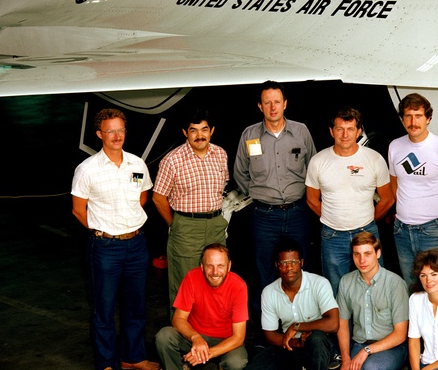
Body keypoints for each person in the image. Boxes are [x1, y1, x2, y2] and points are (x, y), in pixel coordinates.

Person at [71, 108, 162, 370]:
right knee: (104, 309)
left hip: (136, 244)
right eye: (110, 131)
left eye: (120, 130)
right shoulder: (87, 169)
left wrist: (127, 224)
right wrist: (103, 230)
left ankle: (133, 358)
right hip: (105, 247)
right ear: (99, 134)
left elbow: (142, 195)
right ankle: (106, 366)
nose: (116, 136)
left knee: (135, 306)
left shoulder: (137, 164)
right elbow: (77, 209)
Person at [233, 81, 316, 317]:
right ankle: (267, 332)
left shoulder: (301, 132)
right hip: (263, 216)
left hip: (298, 212)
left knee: (301, 270)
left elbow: (314, 168)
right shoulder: (249, 135)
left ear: (285, 104)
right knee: (263, 273)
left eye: (277, 102)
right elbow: (240, 172)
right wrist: (260, 194)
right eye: (267, 102)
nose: (272, 107)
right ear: (260, 106)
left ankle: (304, 325)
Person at [239, 238, 339, 370]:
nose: (289, 268)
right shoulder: (269, 292)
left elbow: (333, 323)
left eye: (293, 262)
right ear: (277, 265)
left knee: (316, 339)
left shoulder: (319, 283)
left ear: (301, 262)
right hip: (291, 346)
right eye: (284, 263)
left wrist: (298, 326)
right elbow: (269, 335)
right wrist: (295, 342)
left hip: (319, 345)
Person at [305, 106, 394, 294]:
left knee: (375, 286)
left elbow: (387, 199)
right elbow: (312, 200)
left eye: (350, 129)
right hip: (332, 236)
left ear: (359, 131)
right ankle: (345, 325)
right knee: (338, 291)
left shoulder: (374, 159)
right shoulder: (318, 161)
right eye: (339, 129)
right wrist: (333, 218)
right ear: (331, 131)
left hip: (367, 232)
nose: (345, 135)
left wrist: (367, 220)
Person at [152, 109, 230, 316]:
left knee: (217, 279)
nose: (199, 135)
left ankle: (212, 335)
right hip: (186, 227)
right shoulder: (172, 160)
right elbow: (158, 198)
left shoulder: (221, 154)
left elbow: (221, 188)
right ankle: (182, 340)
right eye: (193, 130)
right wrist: (176, 224)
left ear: (212, 131)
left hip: (215, 225)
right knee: (185, 284)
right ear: (185, 132)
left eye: (204, 129)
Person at [154, 243, 248, 370]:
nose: (215, 272)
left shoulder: (239, 286)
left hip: (226, 340)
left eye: (220, 266)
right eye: (209, 266)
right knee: (164, 336)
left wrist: (206, 354)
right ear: (202, 266)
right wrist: (196, 338)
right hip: (196, 336)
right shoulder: (192, 277)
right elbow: (178, 319)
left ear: (229, 266)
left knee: (237, 362)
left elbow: (239, 337)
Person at [335, 232, 409, 370]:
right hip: (359, 346)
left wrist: (366, 351)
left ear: (378, 253)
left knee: (373, 368)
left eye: (367, 253)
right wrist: (345, 358)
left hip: (391, 347)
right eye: (357, 254)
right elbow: (342, 323)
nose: (362, 260)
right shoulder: (346, 282)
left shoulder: (395, 283)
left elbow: (400, 334)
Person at [387, 93, 438, 283]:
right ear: (402, 118)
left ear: (428, 118)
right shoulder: (395, 146)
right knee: (411, 285)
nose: (413, 121)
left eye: (418, 116)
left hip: (433, 230)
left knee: (436, 285)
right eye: (408, 116)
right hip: (402, 230)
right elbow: (393, 182)